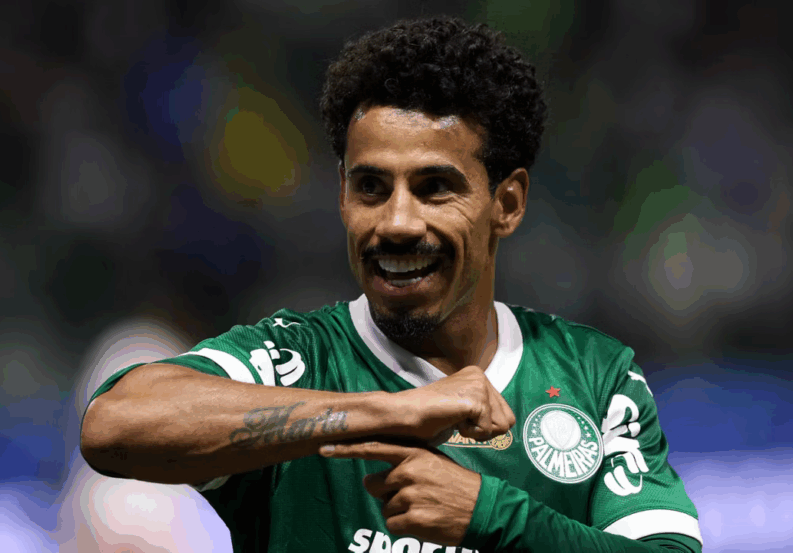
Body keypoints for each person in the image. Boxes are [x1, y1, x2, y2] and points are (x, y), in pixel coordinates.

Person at [81, 16, 703, 553]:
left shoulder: (593, 374)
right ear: (342, 196)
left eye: (434, 188)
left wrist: (492, 516)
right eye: (371, 187)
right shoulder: (300, 359)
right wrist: (388, 411)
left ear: (507, 204)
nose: (397, 223)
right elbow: (113, 424)